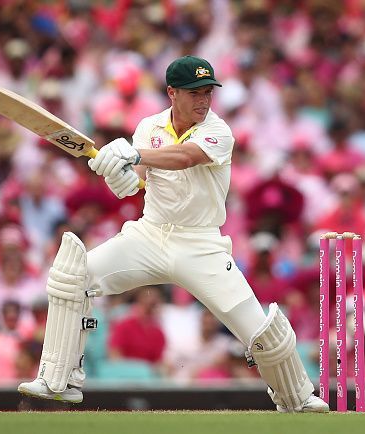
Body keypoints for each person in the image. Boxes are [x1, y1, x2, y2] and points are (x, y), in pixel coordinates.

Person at [18, 55, 329, 413]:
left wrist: (133, 155)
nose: (203, 100)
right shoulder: (148, 127)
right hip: (148, 235)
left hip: (200, 244)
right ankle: (59, 380)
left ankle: (298, 399)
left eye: (208, 91)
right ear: (171, 92)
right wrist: (121, 177)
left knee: (261, 333)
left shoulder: (219, 131)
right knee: (73, 276)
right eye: (194, 92)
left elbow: (183, 158)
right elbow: (141, 183)